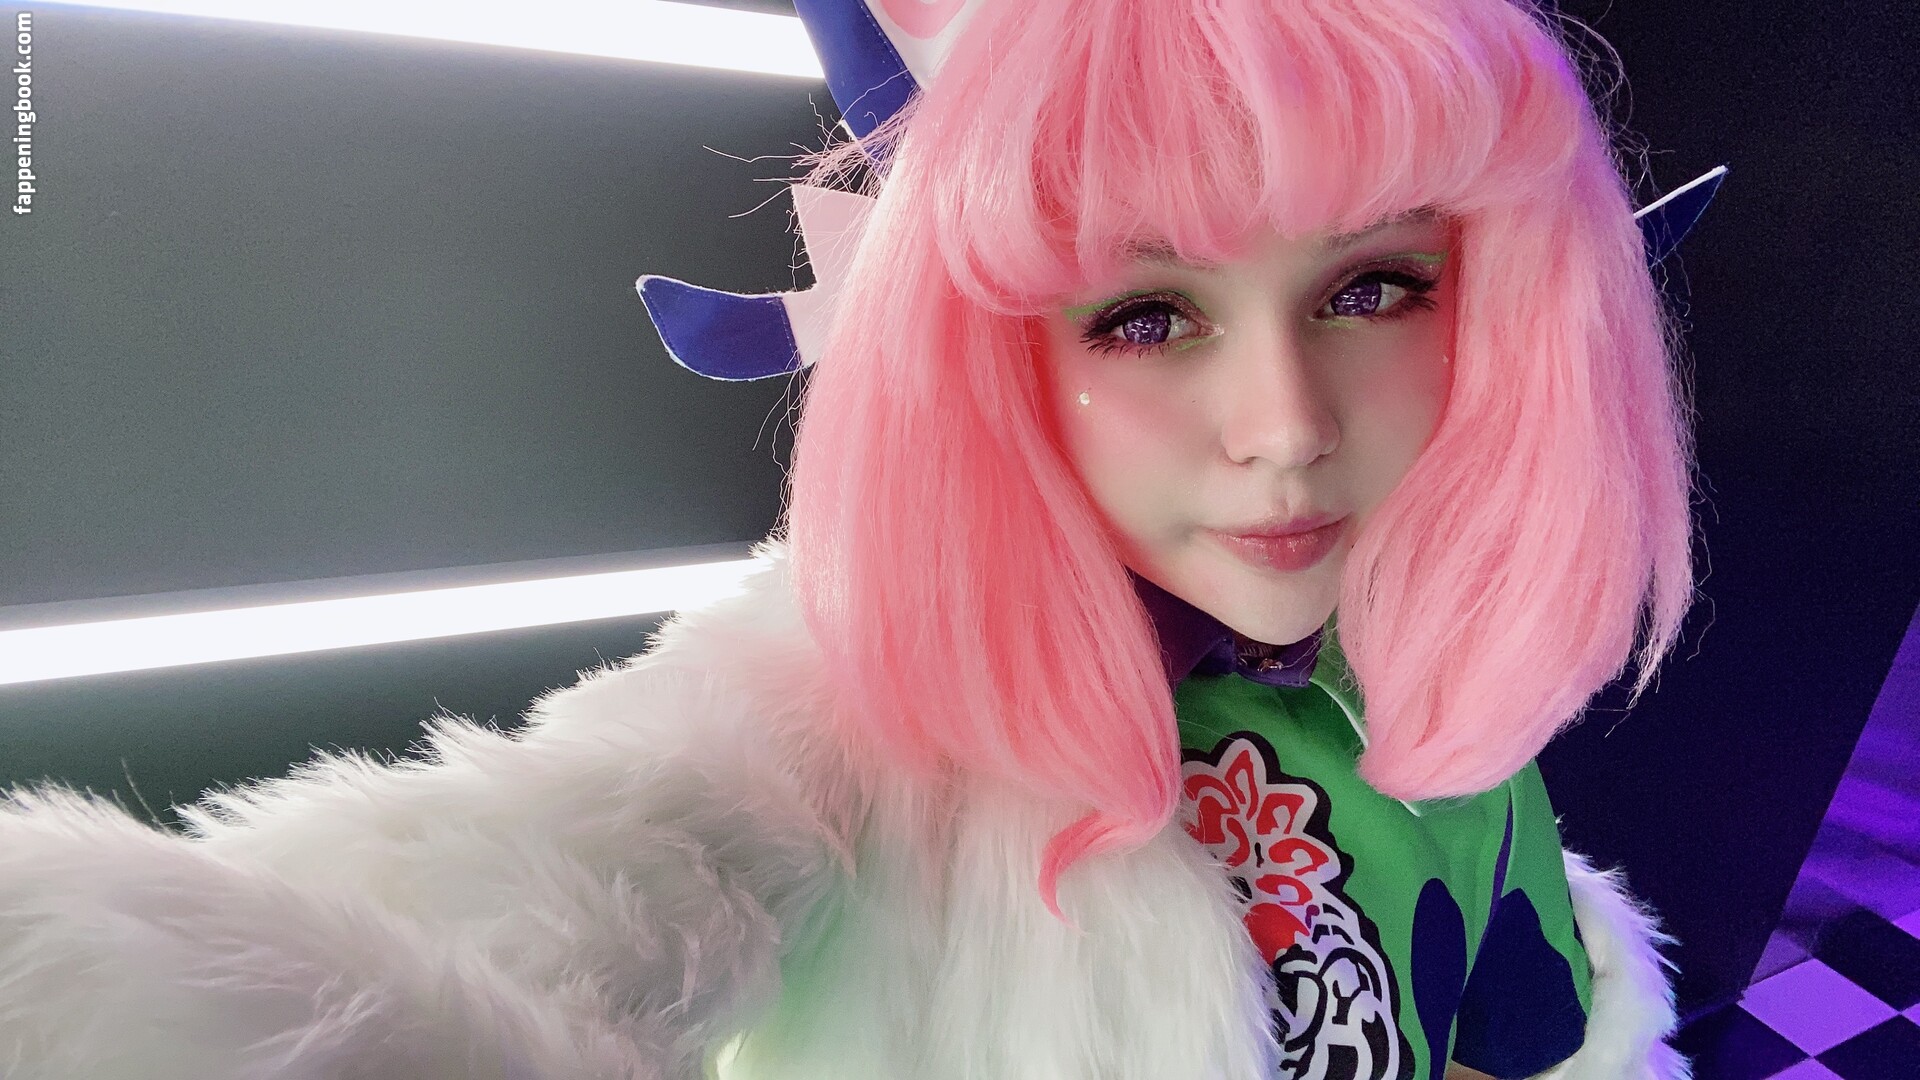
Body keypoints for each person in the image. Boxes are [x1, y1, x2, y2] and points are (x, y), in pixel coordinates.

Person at [0, 1, 1723, 1077]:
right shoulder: (838, 708)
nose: (1286, 426)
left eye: (1376, 288)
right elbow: (487, 943)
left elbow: (1517, 1007)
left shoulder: (1414, 643)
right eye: (1144, 316)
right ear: (989, 355)